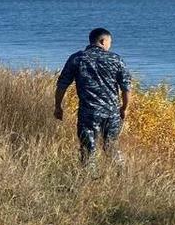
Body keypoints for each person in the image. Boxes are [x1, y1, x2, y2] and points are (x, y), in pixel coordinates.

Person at [55, 27, 132, 168]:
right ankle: (122, 175)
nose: (110, 45)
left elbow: (62, 84)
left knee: (88, 149)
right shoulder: (116, 59)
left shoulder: (77, 58)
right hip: (111, 113)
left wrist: (58, 106)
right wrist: (124, 108)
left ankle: (88, 180)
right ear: (103, 41)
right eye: (110, 42)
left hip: (88, 113)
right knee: (111, 147)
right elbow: (126, 88)